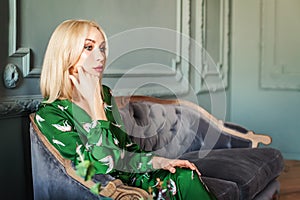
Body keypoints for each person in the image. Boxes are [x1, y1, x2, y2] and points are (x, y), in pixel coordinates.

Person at [35, 19, 216, 199]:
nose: (100, 57)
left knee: (185, 174)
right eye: (88, 48)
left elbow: (126, 150)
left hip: (135, 177)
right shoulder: (50, 114)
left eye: (102, 48)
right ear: (65, 54)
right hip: (110, 189)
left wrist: (160, 161)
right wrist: (95, 107)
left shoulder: (105, 94)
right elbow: (100, 167)